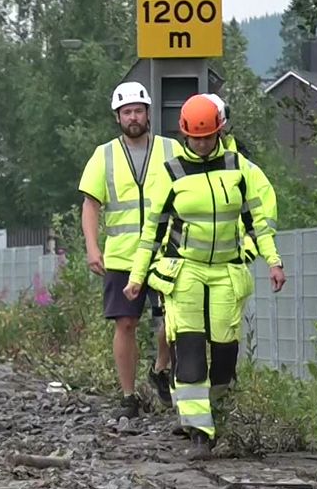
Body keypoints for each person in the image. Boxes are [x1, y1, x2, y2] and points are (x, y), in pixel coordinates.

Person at [122, 94, 287, 459]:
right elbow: (151, 231)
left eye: (208, 136)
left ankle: (211, 409)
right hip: (187, 272)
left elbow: (256, 220)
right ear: (184, 135)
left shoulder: (237, 168)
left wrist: (273, 261)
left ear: (219, 132)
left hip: (226, 269)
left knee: (226, 351)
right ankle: (199, 432)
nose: (201, 143)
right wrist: (137, 277)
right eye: (195, 138)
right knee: (191, 348)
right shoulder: (171, 174)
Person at [78, 81, 181, 419]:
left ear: (148, 113)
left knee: (174, 320)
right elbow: (91, 204)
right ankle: (128, 395)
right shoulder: (103, 155)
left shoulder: (171, 150)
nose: (133, 117)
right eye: (127, 112)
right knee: (125, 324)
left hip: (166, 251)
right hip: (122, 255)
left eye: (138, 110)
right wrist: (93, 248)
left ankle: (160, 367)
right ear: (117, 117)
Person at [203, 93, 279, 266]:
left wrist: (246, 253)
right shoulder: (179, 168)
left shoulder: (247, 170)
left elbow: (265, 219)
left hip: (232, 266)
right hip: (190, 270)